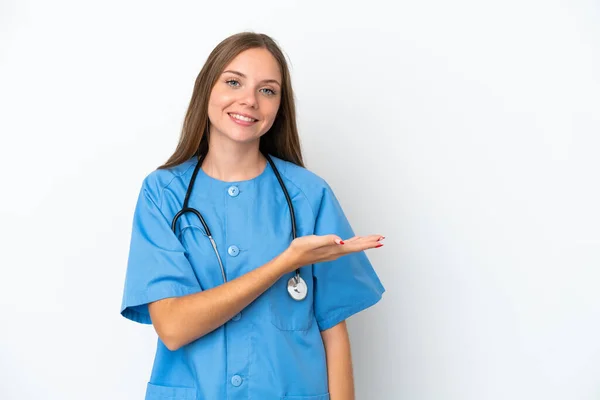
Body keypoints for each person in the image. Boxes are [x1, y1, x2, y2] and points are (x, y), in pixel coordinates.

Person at [120, 32, 386, 400]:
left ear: (280, 106)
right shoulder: (163, 194)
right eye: (233, 82)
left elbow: (334, 331)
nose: (249, 100)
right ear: (206, 90)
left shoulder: (308, 195)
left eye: (268, 90)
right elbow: (174, 326)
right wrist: (285, 263)